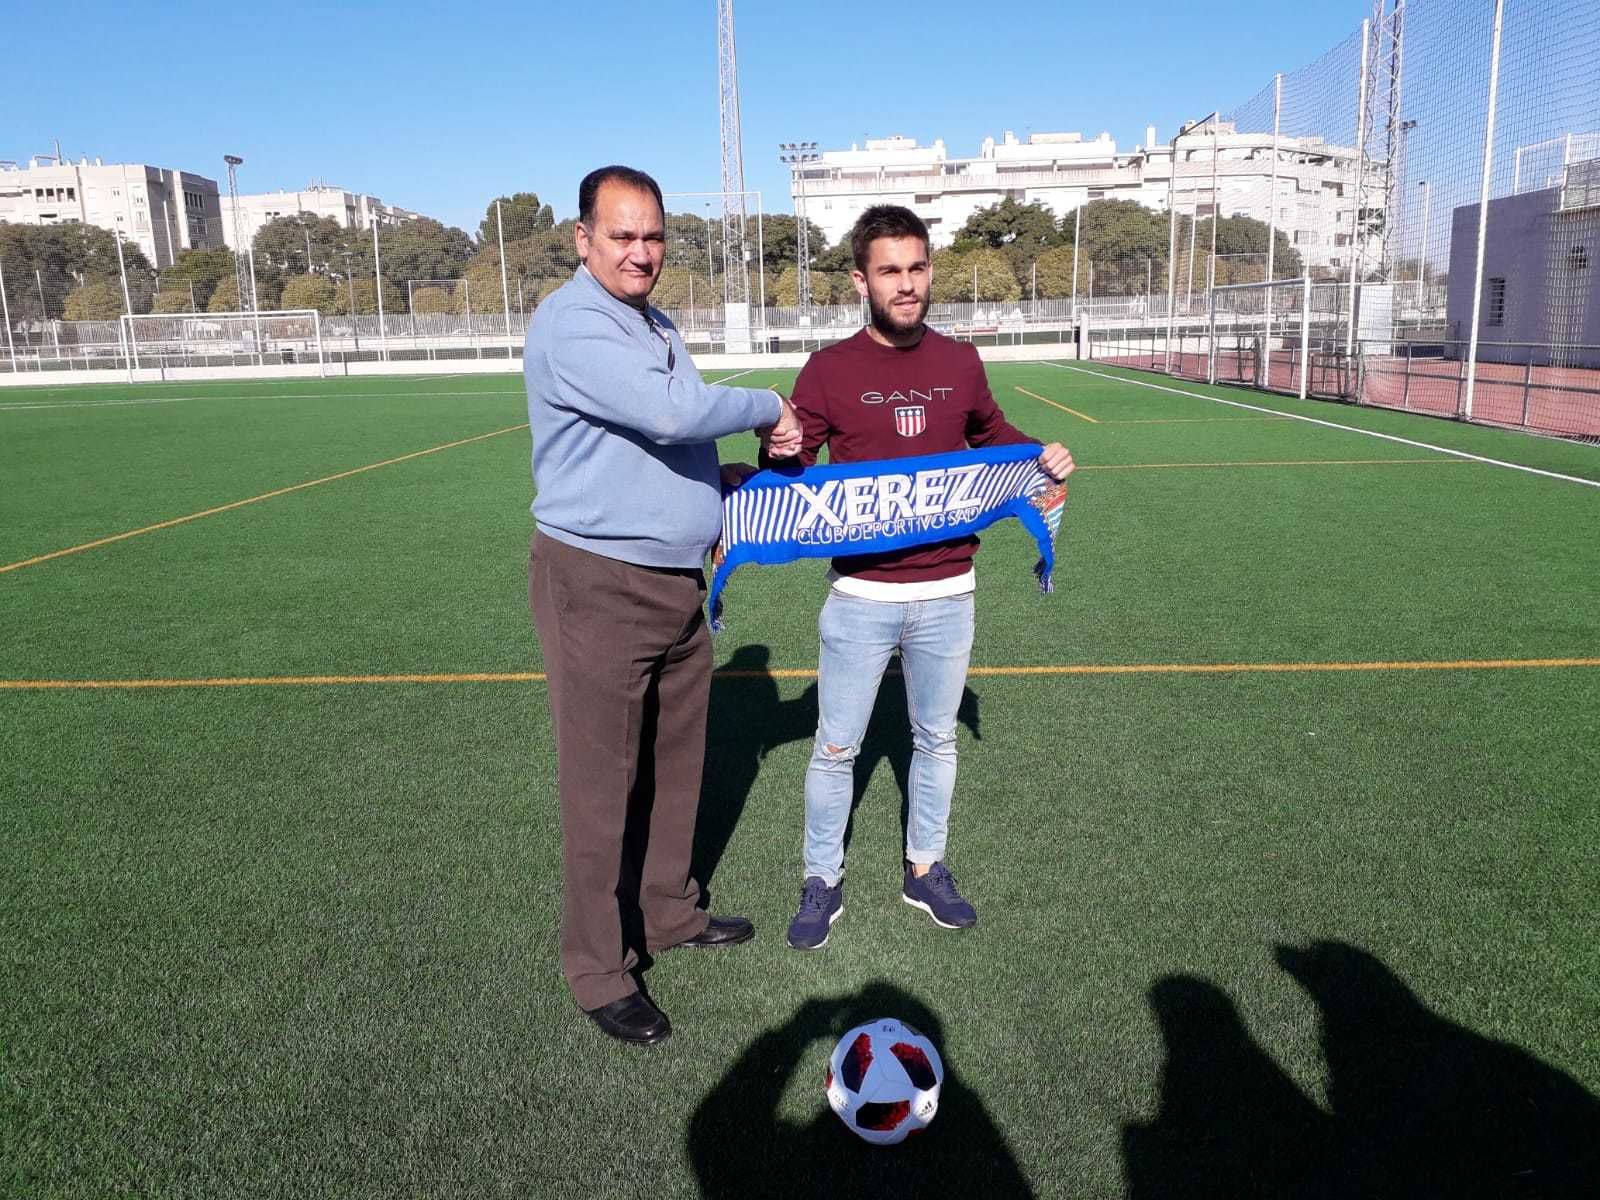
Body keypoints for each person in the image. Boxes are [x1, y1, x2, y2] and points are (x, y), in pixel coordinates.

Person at [524, 165, 802, 1045]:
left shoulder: (652, 321)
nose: (641, 252)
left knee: (679, 765)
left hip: (681, 585)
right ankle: (599, 967)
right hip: (600, 584)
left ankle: (669, 911)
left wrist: (712, 488)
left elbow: (669, 443)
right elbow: (671, 412)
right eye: (622, 235)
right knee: (602, 790)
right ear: (583, 239)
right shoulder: (574, 321)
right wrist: (770, 405)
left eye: (653, 237)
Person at [768, 205, 1074, 951]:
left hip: (948, 590)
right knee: (835, 747)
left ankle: (925, 868)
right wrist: (775, 445)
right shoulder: (830, 368)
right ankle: (821, 879)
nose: (906, 285)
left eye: (917, 268)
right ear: (861, 281)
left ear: (929, 270)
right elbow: (795, 459)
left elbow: (993, 435)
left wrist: (1042, 455)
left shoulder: (960, 363)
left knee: (935, 741)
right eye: (889, 271)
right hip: (862, 594)